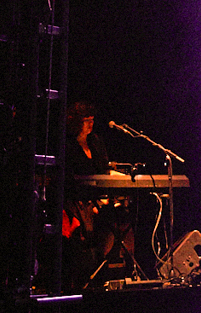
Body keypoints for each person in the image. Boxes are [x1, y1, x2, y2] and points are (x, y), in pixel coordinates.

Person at [63, 101, 133, 289]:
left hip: (99, 200)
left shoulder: (95, 141)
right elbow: (71, 179)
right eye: (86, 120)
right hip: (78, 201)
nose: (90, 124)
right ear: (76, 122)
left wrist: (127, 179)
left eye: (92, 120)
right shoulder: (68, 145)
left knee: (121, 215)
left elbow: (104, 171)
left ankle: (113, 269)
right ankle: (89, 274)